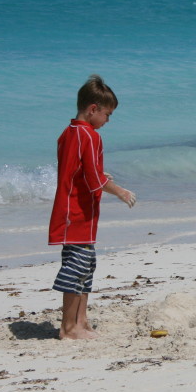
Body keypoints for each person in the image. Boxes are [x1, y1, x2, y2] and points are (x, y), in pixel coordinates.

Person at [48, 75, 136, 339]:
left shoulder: (68, 132)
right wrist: (119, 190)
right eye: (107, 114)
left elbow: (79, 171)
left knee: (87, 263)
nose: (108, 120)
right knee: (76, 266)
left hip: (76, 210)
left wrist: (98, 175)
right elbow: (92, 179)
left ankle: (81, 321)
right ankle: (69, 327)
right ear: (93, 109)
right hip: (76, 212)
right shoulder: (89, 136)